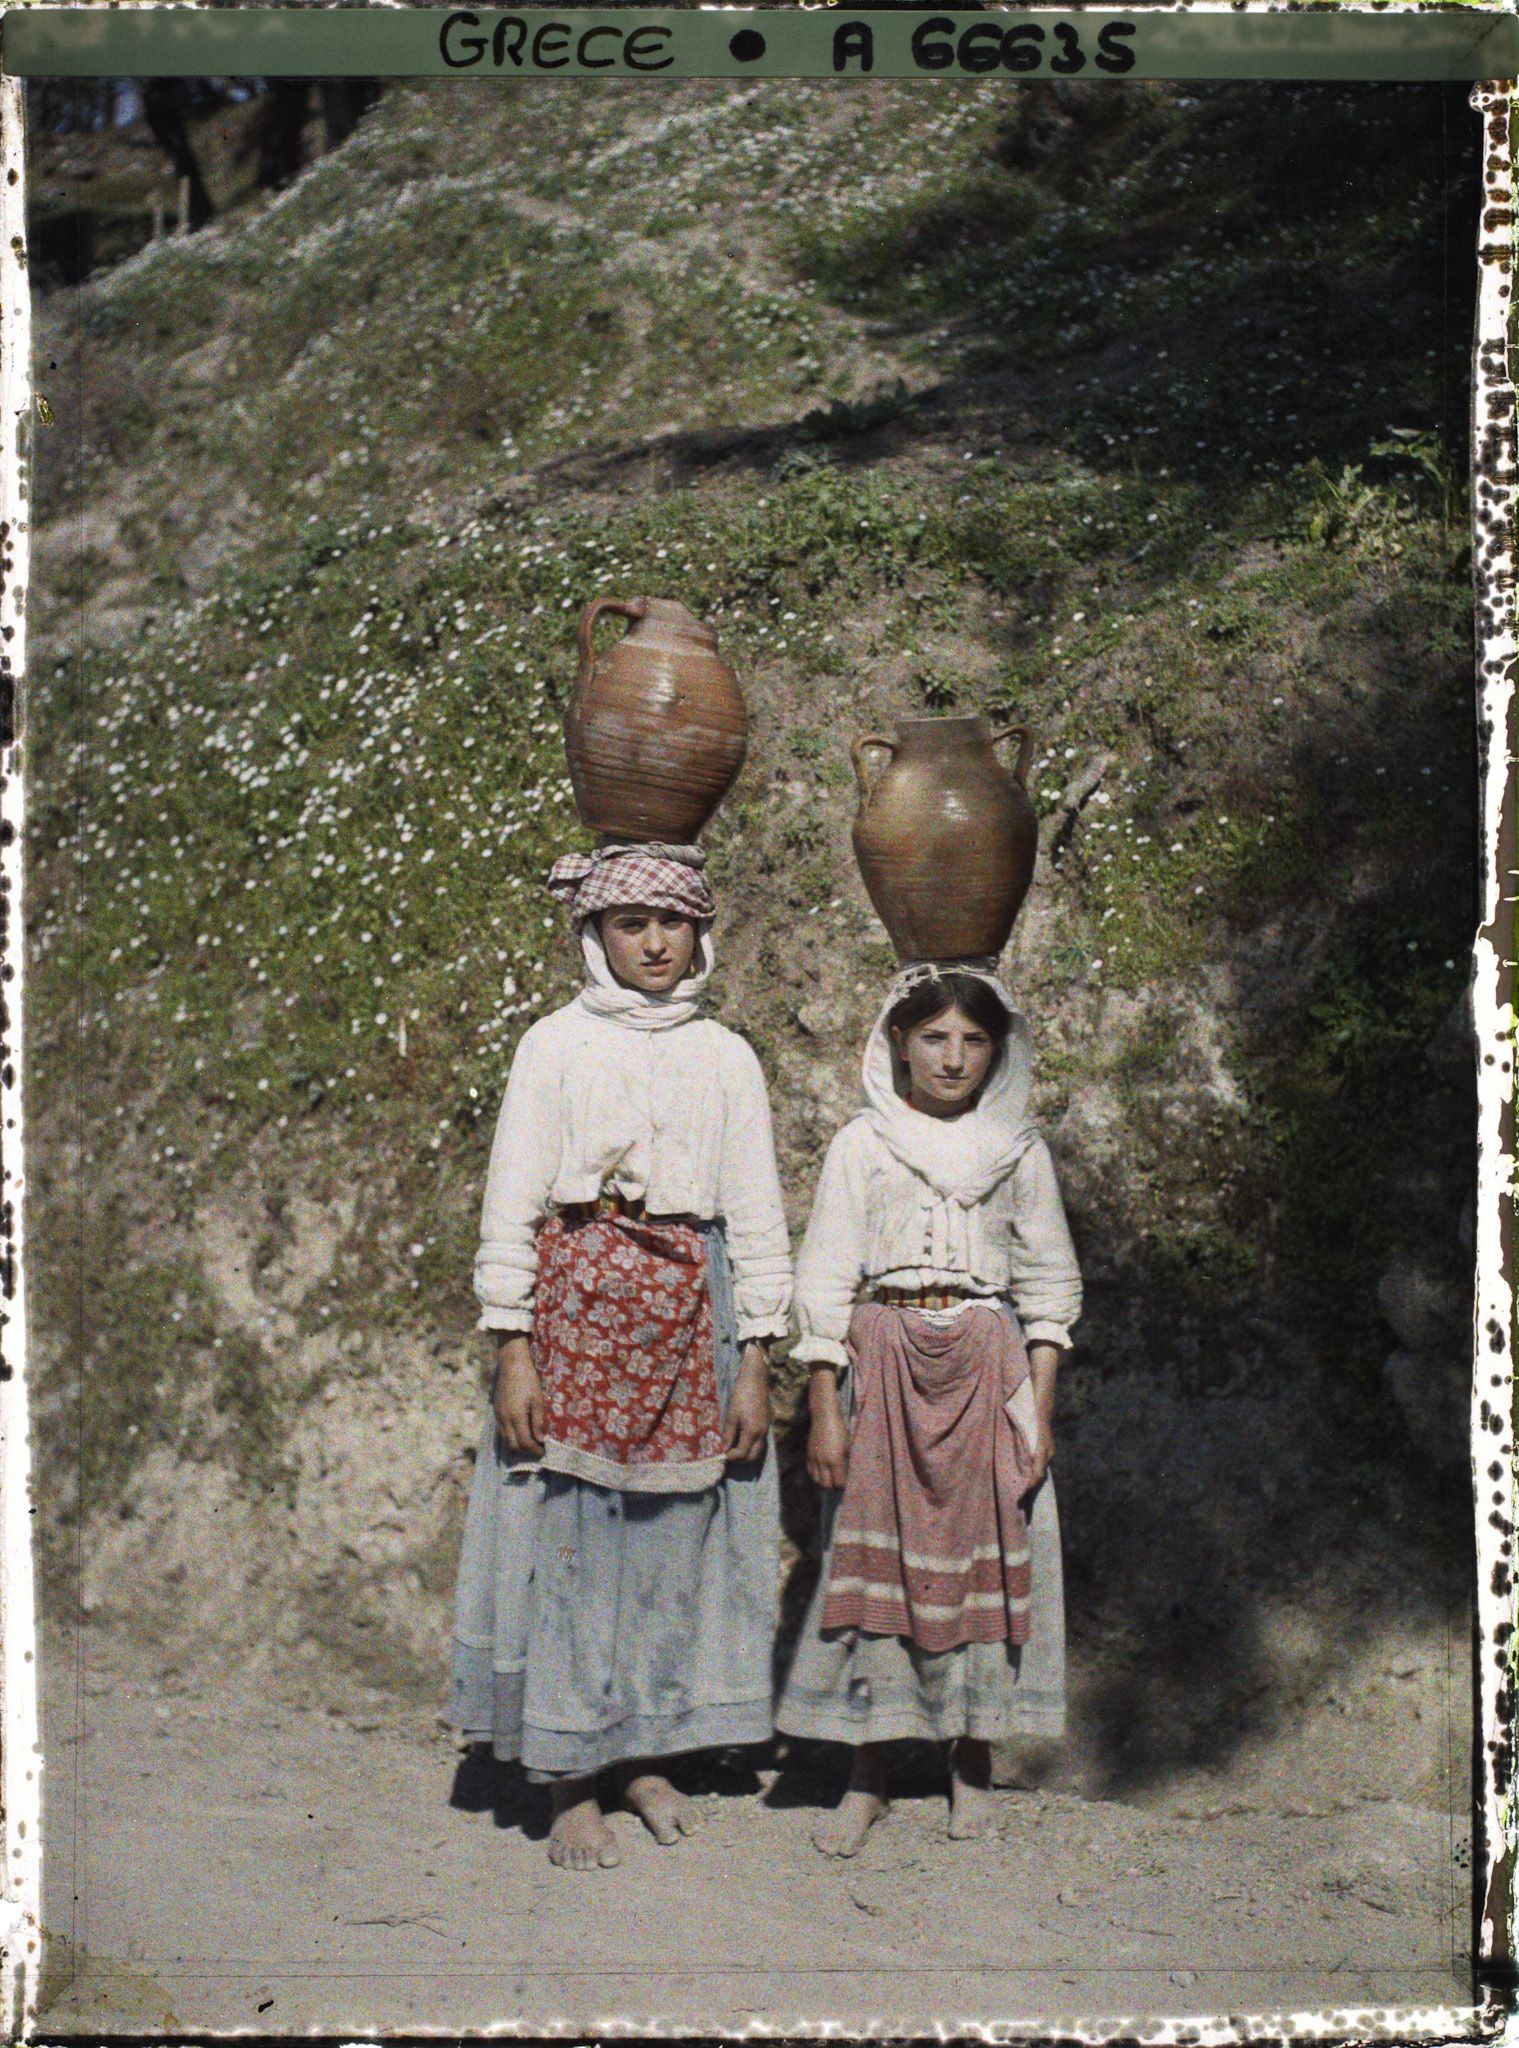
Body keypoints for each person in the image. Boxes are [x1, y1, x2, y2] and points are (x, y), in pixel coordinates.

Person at [448, 842, 792, 1870]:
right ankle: (566, 1777)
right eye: (629, 921)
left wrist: (755, 1355)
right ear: (591, 935)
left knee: (670, 1542)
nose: (653, 940)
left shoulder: (726, 1056)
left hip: (694, 1311)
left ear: (700, 932)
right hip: (575, 1312)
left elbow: (759, 1209)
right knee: (570, 1542)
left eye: (672, 921)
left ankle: (643, 1752)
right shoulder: (552, 1046)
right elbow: (512, 1196)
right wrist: (514, 1345)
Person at [775, 963, 1081, 1856]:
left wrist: (1041, 1409)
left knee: (983, 1567)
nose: (952, 1059)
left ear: (998, 1051)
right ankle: (866, 1775)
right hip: (886, 1363)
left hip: (985, 1366)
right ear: (897, 1043)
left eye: (973, 1041)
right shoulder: (861, 1145)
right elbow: (825, 1279)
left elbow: (1049, 1283)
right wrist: (824, 1406)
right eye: (933, 1037)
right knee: (883, 1572)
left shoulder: (1017, 1150)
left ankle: (969, 1766)